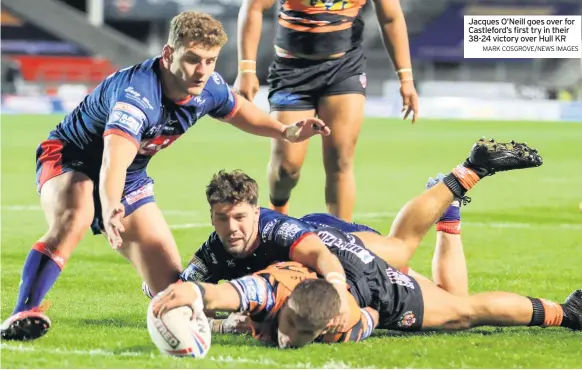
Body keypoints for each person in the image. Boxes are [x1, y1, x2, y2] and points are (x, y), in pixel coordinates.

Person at [0, 11, 332, 342]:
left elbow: (240, 112)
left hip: (129, 175)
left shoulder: (208, 87)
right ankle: (23, 312)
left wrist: (285, 131)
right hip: (71, 158)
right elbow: (112, 162)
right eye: (193, 59)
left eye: (210, 60)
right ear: (169, 54)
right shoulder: (137, 97)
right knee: (78, 213)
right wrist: (112, 205)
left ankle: (224, 321)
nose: (202, 71)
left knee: (176, 294)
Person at [154, 138, 582, 348]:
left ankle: (467, 176)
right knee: (439, 285)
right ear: (211, 217)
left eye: (240, 217)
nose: (232, 228)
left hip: (332, 257)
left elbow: (318, 254)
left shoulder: (278, 232)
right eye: (223, 219)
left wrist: (339, 291)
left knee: (438, 289)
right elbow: (191, 287)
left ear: (255, 211)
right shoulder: (211, 253)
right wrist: (179, 300)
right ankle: (455, 196)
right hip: (329, 258)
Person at [234, 0, 419, 221]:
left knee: (340, 159)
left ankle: (342, 240)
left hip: (344, 70)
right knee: (287, 168)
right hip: (291, 73)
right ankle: (277, 213)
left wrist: (406, 78)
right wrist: (246, 69)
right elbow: (253, 7)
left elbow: (391, 17)